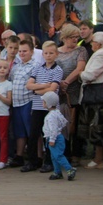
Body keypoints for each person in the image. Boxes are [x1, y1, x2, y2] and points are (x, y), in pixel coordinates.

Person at [22, 41, 63, 173]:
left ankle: (50, 161)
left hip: (50, 108)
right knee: (33, 134)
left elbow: (53, 88)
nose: (48, 55)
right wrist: (45, 86)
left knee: (50, 134)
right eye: (46, 53)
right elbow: (29, 85)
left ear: (56, 54)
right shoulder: (38, 67)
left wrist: (38, 89)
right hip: (37, 106)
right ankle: (32, 161)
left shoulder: (58, 70)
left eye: (51, 53)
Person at [78, 32, 103, 168]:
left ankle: (99, 159)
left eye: (93, 41)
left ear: (98, 43)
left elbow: (90, 75)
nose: (91, 43)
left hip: (97, 95)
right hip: (102, 93)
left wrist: (81, 73)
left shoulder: (100, 54)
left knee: (97, 125)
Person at [55, 24, 88, 162]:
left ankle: (76, 153)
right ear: (64, 37)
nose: (75, 40)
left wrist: (66, 82)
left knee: (74, 122)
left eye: (76, 37)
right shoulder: (56, 51)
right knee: (61, 123)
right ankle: (64, 152)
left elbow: (80, 68)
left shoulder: (81, 50)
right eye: (72, 37)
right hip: (58, 91)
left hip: (74, 90)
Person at [7, 39, 35, 168]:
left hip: (28, 101)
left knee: (31, 131)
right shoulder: (16, 66)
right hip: (16, 103)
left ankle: (34, 156)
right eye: (20, 51)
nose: (22, 53)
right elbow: (11, 81)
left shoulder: (35, 66)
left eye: (25, 51)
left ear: (32, 52)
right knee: (19, 132)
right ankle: (19, 156)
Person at [41, 91, 76, 181]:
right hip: (58, 137)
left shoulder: (50, 116)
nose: (42, 103)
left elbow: (53, 129)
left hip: (54, 138)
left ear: (48, 104)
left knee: (58, 156)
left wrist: (52, 139)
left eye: (44, 101)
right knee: (54, 156)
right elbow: (64, 122)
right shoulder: (57, 112)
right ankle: (57, 172)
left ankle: (70, 169)